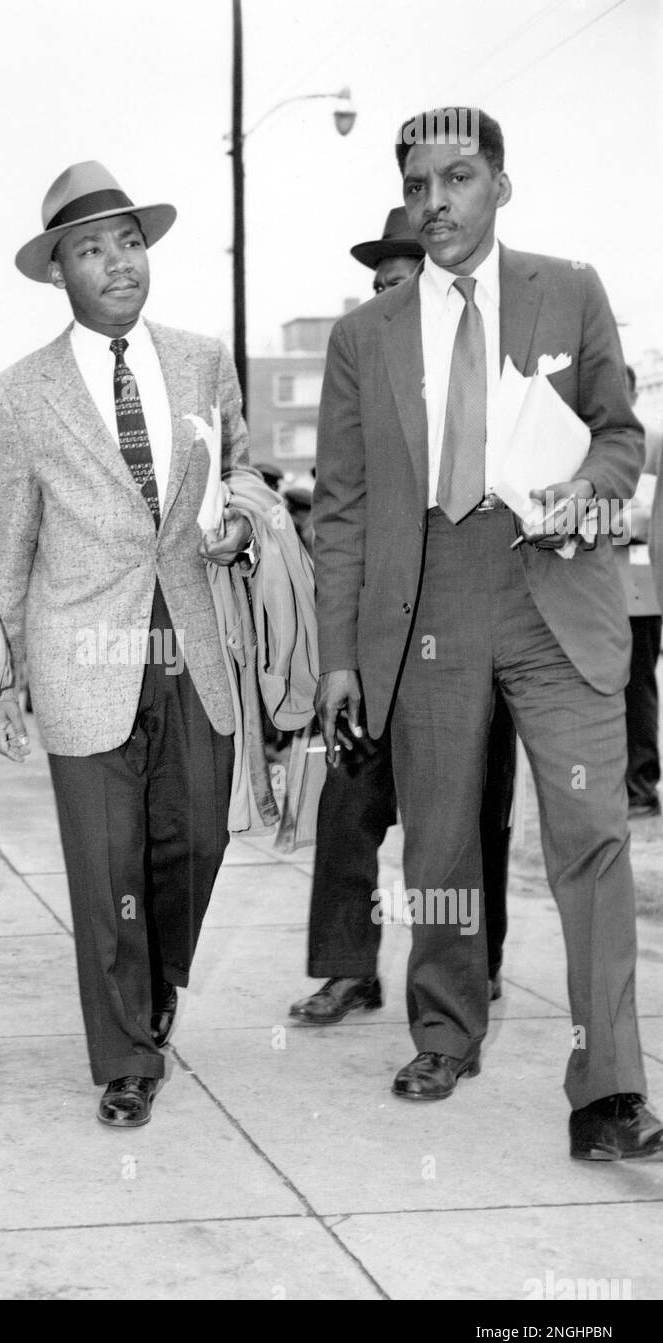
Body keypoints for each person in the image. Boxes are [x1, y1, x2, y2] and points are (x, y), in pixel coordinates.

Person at [312, 108, 663, 1161]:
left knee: (590, 840)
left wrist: (584, 489)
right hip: (428, 603)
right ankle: (444, 1030)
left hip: (554, 587)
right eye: (419, 185)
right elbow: (339, 505)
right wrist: (337, 654)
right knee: (443, 843)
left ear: (499, 185)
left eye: (457, 179)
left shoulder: (571, 289)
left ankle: (608, 1086)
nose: (437, 203)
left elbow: (620, 433)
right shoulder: (358, 338)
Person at [0, 161, 252, 1128]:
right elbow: (5, 541)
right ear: (60, 270)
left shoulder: (204, 360)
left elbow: (245, 475)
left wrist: (244, 523)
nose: (119, 263)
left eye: (130, 242)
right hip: (78, 649)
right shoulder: (17, 396)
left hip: (193, 636)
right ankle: (126, 1053)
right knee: (106, 866)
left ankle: (159, 980)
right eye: (92, 249)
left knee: (200, 836)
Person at [290, 207, 516, 1026]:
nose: (391, 294)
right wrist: (336, 655)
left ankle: (475, 963)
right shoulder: (362, 368)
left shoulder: (483, 372)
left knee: (470, 816)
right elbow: (336, 519)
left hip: (471, 629)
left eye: (407, 277)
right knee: (347, 804)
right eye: (381, 282)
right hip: (380, 639)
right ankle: (350, 968)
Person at [615, 366, 661, 818]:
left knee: (637, 691)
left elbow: (644, 518)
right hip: (604, 589)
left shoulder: (650, 440)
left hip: (640, 590)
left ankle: (641, 787)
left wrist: (592, 523)